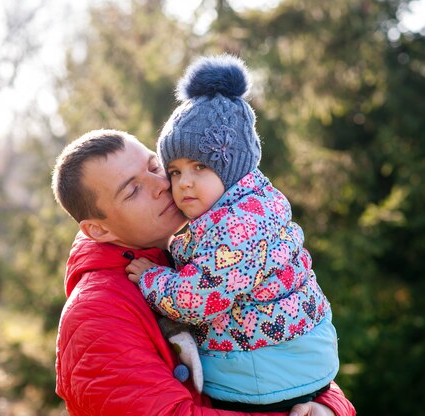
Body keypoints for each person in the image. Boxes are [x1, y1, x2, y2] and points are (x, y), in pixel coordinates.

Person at [51, 127, 356, 416]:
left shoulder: (203, 257)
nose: (163, 186)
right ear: (98, 229)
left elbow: (278, 366)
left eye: (155, 167)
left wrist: (328, 405)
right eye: (133, 191)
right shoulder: (95, 314)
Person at [125, 55, 339, 411]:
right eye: (175, 171)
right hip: (295, 360)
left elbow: (197, 298)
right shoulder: (254, 203)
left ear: (234, 167)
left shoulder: (238, 228)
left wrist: (152, 279)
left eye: (200, 167)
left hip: (267, 374)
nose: (185, 183)